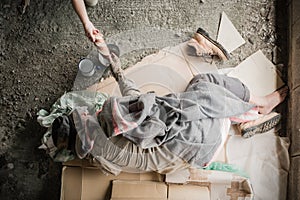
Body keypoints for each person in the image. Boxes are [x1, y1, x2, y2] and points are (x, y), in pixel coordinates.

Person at [38, 28, 288, 175]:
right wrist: (113, 62)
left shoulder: (101, 159)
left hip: (200, 157)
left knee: (193, 105)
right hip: (203, 134)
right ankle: (259, 104)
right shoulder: (114, 116)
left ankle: (241, 119)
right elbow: (134, 95)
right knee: (204, 83)